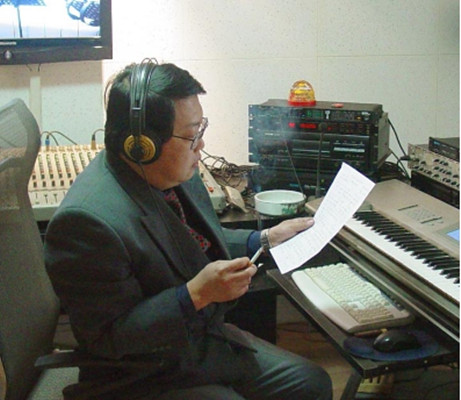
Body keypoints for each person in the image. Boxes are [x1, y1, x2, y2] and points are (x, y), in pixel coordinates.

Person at [44, 59, 333, 400]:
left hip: (195, 343)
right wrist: (195, 294)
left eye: (201, 129)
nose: (201, 146)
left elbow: (191, 244)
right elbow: (110, 338)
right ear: (142, 146)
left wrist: (264, 239)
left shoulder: (168, 172)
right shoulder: (86, 223)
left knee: (311, 382)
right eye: (192, 134)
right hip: (139, 374)